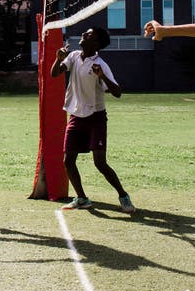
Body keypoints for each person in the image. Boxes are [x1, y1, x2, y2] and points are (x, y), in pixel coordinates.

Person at [50, 26, 136, 214]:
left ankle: (123, 196)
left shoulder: (101, 65)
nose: (83, 34)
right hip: (76, 116)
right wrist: (58, 60)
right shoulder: (73, 57)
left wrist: (102, 76)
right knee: (68, 161)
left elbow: (118, 93)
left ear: (95, 43)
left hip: (95, 117)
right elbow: (54, 74)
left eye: (88, 34)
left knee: (100, 162)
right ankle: (81, 198)